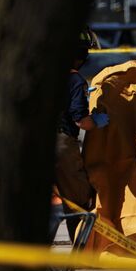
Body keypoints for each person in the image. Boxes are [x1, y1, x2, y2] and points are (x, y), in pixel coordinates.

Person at [55, 27, 109, 240]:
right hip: (61, 146)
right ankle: (82, 249)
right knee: (78, 198)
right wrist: (97, 120)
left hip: (32, 143)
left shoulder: (42, 76)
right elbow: (82, 122)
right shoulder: (74, 80)